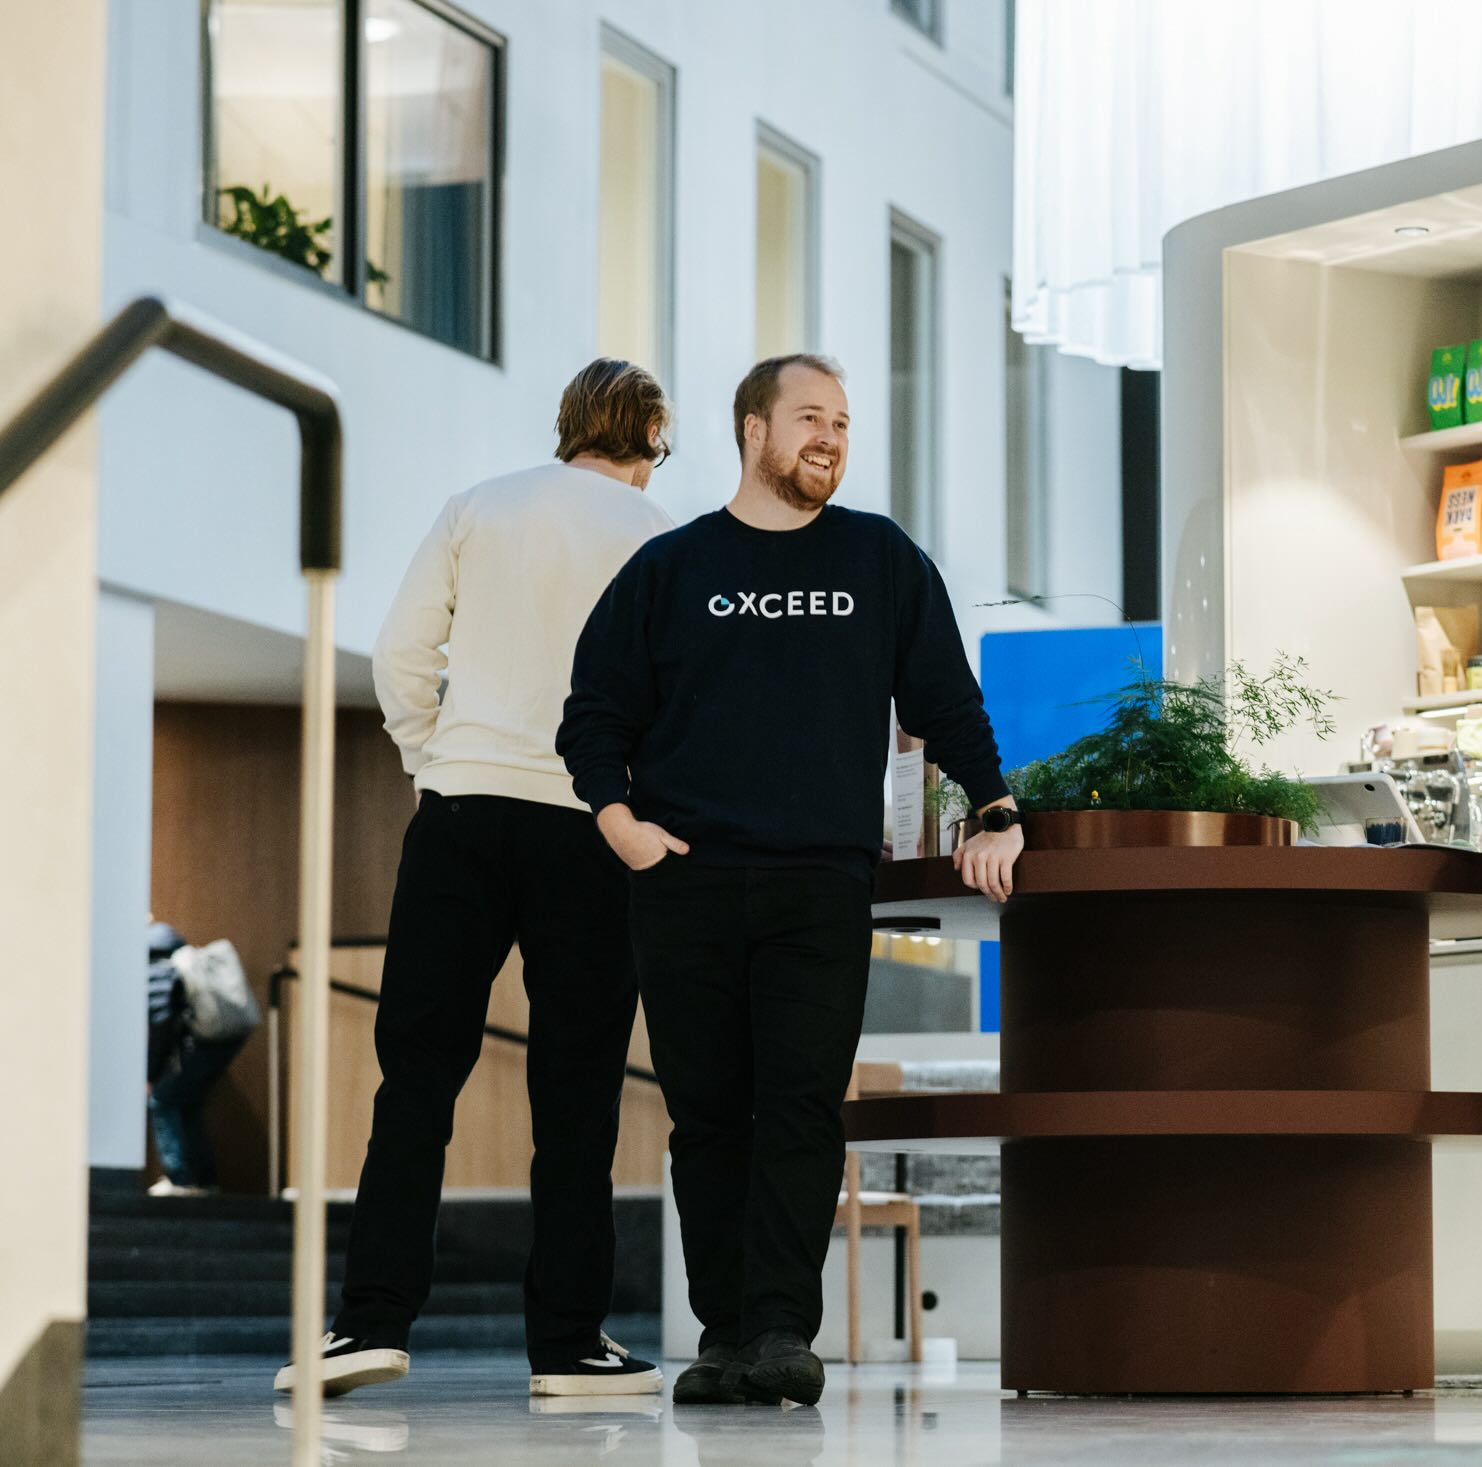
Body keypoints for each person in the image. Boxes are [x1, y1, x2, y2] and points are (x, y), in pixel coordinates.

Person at [558, 353, 1024, 1408]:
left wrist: (996, 807)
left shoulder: (879, 557)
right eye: (810, 416)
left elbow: (946, 700)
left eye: (844, 423)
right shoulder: (671, 567)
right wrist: (621, 826)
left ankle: (778, 1329)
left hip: (819, 880)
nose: (830, 437)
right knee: (707, 1117)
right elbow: (594, 712)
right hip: (685, 882)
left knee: (801, 1107)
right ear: (753, 430)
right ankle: (723, 1333)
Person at [276, 359, 677, 1400]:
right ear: (648, 437)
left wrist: (434, 762)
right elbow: (677, 699)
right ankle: (568, 1346)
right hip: (591, 829)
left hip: (461, 817)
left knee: (416, 1076)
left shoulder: (479, 506)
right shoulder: (660, 537)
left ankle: (369, 1325)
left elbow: (401, 657)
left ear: (569, 424)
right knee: (578, 1092)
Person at [145, 921, 251, 1196]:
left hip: (198, 1045)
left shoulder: (156, 965)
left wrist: (151, 1073)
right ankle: (205, 1180)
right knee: (188, 1103)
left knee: (162, 1100)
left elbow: (160, 1022)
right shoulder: (182, 954)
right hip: (222, 1041)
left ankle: (180, 1179)